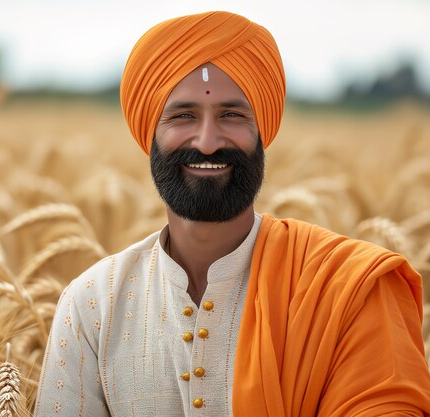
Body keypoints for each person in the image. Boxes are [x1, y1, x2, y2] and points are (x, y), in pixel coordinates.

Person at [34, 10, 430, 416]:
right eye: (183, 115)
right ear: (150, 131)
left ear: (262, 130)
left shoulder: (352, 292)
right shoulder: (92, 305)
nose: (207, 142)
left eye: (232, 115)